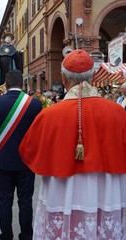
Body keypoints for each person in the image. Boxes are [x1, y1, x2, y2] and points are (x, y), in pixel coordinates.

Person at [19, 49, 126, 239]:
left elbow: (28, 151)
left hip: (62, 190)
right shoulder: (118, 112)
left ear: (63, 77)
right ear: (93, 76)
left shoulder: (49, 115)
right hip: (107, 190)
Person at [0, 70, 42, 240]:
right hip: (26, 160)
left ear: (6, 85)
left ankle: (6, 236)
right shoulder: (35, 104)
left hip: (3, 160)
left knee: (4, 200)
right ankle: (26, 235)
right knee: (25, 201)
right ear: (23, 84)